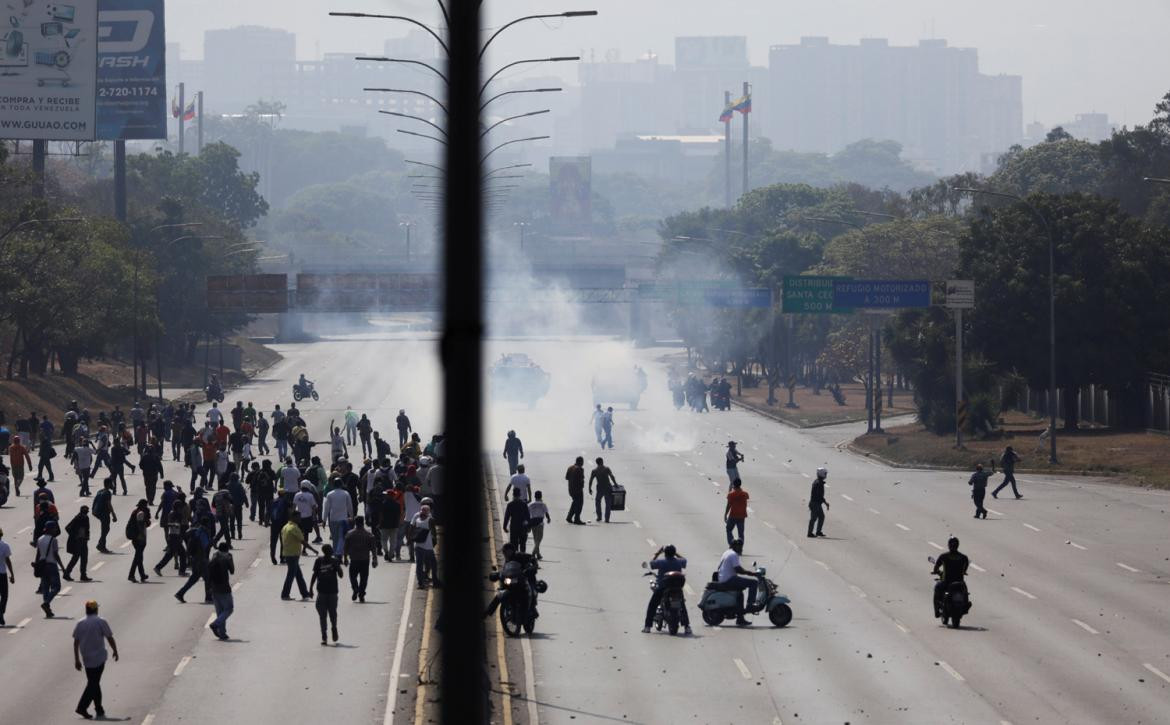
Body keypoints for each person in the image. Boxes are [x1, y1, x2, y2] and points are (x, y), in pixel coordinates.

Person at [72, 600, 119, 720]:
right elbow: (109, 637)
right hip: (99, 657)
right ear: (95, 610)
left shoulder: (80, 623)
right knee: (93, 684)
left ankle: (99, 709)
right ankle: (82, 707)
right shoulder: (100, 621)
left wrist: (77, 659)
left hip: (86, 658)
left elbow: (76, 642)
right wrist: (115, 650)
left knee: (94, 683)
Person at [642, 544, 692, 635]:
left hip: (662, 588)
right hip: (677, 589)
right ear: (673, 553)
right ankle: (687, 627)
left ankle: (647, 627)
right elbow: (685, 560)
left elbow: (651, 563)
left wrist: (658, 553)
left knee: (652, 605)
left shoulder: (661, 562)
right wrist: (676, 554)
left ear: (665, 553)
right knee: (682, 606)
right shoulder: (679, 562)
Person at [716, 539, 756, 627]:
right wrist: (751, 573)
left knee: (740, 594)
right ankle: (750, 605)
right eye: (739, 546)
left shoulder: (727, 552)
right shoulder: (733, 554)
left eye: (741, 546)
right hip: (729, 579)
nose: (741, 548)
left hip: (724, 578)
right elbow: (738, 569)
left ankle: (740, 618)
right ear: (735, 546)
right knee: (753, 583)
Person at [309, 543, 343, 644]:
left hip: (329, 592)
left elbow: (341, 575)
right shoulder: (319, 561)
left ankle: (332, 629)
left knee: (329, 614)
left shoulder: (334, 561)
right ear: (328, 551)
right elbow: (315, 574)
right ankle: (325, 634)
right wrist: (310, 588)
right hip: (325, 592)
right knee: (326, 614)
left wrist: (338, 566)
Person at [175, 517, 213, 604]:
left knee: (194, 578)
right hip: (200, 559)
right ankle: (208, 598)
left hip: (194, 558)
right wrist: (211, 542)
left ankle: (180, 593)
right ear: (207, 524)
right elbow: (205, 545)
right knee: (208, 578)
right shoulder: (202, 532)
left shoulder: (196, 531)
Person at [281, 513, 317, 600]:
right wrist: (313, 549)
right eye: (298, 517)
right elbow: (303, 541)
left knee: (298, 575)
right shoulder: (294, 528)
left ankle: (305, 594)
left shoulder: (285, 527)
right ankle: (285, 594)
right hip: (293, 554)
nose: (300, 519)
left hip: (288, 553)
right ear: (293, 517)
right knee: (291, 575)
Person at [932, 537, 970, 618]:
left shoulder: (944, 556)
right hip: (959, 582)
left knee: (937, 588)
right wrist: (963, 572)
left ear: (949, 545)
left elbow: (936, 567)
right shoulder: (963, 557)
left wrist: (936, 571)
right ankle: (966, 604)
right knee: (965, 590)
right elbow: (965, 568)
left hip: (946, 582)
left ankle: (936, 611)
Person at [343, 515, 377, 602]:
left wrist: (345, 558)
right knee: (364, 578)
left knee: (352, 577)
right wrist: (374, 559)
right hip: (365, 559)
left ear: (355, 523)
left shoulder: (349, 534)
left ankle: (355, 589)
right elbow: (373, 548)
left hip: (354, 559)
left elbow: (345, 547)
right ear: (363, 522)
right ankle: (361, 594)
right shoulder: (369, 535)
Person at [35, 520, 65, 617]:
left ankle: (47, 610)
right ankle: (46, 603)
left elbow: (38, 554)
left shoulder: (40, 539)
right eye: (54, 528)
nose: (55, 530)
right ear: (51, 529)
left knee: (45, 587)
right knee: (56, 587)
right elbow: (56, 554)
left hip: (43, 565)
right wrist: (62, 567)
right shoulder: (53, 540)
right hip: (51, 565)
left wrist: (36, 565)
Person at [206, 541, 235, 640]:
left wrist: (208, 588)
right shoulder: (227, 557)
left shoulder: (214, 557)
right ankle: (215, 624)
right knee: (229, 609)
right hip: (224, 588)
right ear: (226, 550)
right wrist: (230, 559)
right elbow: (232, 571)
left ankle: (222, 633)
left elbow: (208, 573)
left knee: (220, 612)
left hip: (214, 588)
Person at [411, 504, 439, 589]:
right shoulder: (430, 520)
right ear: (428, 511)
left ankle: (420, 583)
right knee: (433, 564)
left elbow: (413, 530)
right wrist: (434, 543)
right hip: (428, 547)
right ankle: (435, 581)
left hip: (418, 546)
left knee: (419, 565)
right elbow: (434, 533)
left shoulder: (417, 520)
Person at [323, 482, 354, 557]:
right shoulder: (345, 493)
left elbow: (326, 508)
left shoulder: (330, 494)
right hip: (343, 519)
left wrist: (324, 520)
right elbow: (350, 506)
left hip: (333, 519)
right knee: (342, 537)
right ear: (341, 485)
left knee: (335, 537)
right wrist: (352, 516)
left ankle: (336, 553)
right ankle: (339, 553)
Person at [63, 505, 93, 582]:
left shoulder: (86, 518)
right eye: (84, 511)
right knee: (75, 558)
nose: (85, 513)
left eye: (86, 511)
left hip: (83, 541)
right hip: (77, 542)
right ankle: (66, 574)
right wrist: (75, 536)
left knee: (84, 558)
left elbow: (87, 529)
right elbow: (67, 528)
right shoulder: (78, 518)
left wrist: (86, 536)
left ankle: (83, 575)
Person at [126, 500, 151, 583]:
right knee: (137, 557)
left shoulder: (137, 512)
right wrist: (142, 537)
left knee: (139, 557)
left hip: (136, 537)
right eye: (146, 506)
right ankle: (131, 575)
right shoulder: (140, 514)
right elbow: (140, 526)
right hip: (138, 538)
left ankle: (142, 575)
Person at [588, 457, 617, 523]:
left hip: (600, 488)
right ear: (602, 461)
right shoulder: (607, 469)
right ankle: (607, 518)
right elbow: (612, 476)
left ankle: (599, 517)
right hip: (607, 487)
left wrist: (589, 488)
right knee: (608, 503)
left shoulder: (594, 471)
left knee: (598, 501)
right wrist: (615, 484)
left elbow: (591, 480)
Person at [92, 479, 117, 552]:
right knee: (105, 529)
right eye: (111, 483)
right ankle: (101, 546)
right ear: (108, 484)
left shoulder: (100, 491)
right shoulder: (107, 493)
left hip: (97, 513)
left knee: (105, 529)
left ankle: (101, 544)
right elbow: (109, 504)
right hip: (104, 513)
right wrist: (114, 515)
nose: (112, 485)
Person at [724, 479, 749, 546]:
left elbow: (729, 505)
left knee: (729, 529)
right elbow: (747, 497)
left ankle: (732, 545)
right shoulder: (745, 494)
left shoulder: (731, 494)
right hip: (742, 516)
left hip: (733, 515)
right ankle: (739, 548)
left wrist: (725, 514)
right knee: (741, 533)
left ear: (733, 485)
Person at [528, 491, 551, 560]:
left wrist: (528, 524)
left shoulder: (531, 504)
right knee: (539, 539)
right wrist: (548, 519)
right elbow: (546, 513)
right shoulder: (543, 504)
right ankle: (533, 554)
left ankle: (538, 554)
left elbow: (528, 514)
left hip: (532, 522)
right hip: (540, 523)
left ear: (535, 496)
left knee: (536, 539)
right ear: (541, 496)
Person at [807, 467, 830, 538]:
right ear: (822, 474)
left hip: (817, 503)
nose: (826, 475)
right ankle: (810, 533)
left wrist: (824, 502)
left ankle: (818, 531)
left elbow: (819, 495)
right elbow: (819, 495)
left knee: (821, 517)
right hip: (815, 504)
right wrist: (825, 502)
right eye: (825, 473)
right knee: (813, 518)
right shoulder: (818, 483)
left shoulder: (818, 482)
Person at [564, 456, 585, 525]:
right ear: (580, 461)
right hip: (578, 490)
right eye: (582, 461)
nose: (583, 463)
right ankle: (577, 519)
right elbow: (581, 479)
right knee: (579, 504)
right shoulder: (580, 469)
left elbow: (566, 477)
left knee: (575, 503)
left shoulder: (570, 467)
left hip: (571, 489)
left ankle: (569, 517)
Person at [0, 527, 13, 626]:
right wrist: (12, 574)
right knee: (4, 596)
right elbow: (8, 561)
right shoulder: (5, 546)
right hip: (2, 574)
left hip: (2, 574)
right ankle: (1, 612)